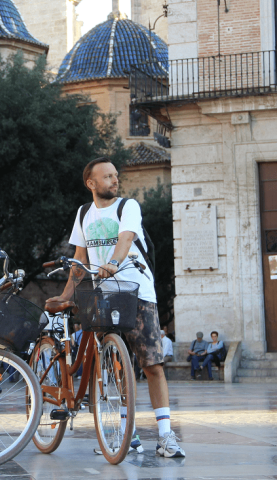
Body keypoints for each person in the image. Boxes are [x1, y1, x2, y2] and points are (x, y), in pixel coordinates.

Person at [46, 157, 186, 458]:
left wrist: (113, 262)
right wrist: (66, 295)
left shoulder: (127, 207)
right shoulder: (84, 213)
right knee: (115, 366)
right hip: (104, 297)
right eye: (107, 176)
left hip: (137, 292)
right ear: (91, 183)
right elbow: (80, 258)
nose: (114, 179)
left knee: (152, 365)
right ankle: (127, 435)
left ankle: (165, 436)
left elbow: (126, 238)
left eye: (115, 175)